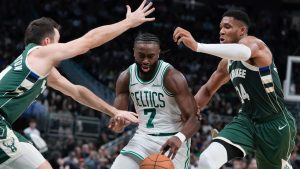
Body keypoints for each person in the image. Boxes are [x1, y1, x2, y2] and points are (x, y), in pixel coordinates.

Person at [0, 1, 155, 169]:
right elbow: (87, 42)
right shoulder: (39, 54)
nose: (60, 46)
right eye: (58, 41)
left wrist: (114, 111)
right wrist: (128, 23)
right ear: (46, 42)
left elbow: (76, 92)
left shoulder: (39, 68)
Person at [172, 9, 297, 169]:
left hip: (274, 124)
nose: (221, 31)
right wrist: (184, 114)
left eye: (227, 27)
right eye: (220, 27)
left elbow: (243, 52)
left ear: (242, 31)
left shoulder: (256, 45)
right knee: (206, 161)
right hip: (246, 120)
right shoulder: (227, 63)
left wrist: (197, 46)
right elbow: (208, 90)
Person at [108, 33, 200, 169]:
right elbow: (119, 119)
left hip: (171, 141)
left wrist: (179, 138)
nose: (145, 60)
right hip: (142, 139)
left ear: (158, 54)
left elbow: (195, 119)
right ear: (134, 53)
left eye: (150, 56)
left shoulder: (172, 77)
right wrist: (118, 126)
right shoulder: (126, 77)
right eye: (141, 55)